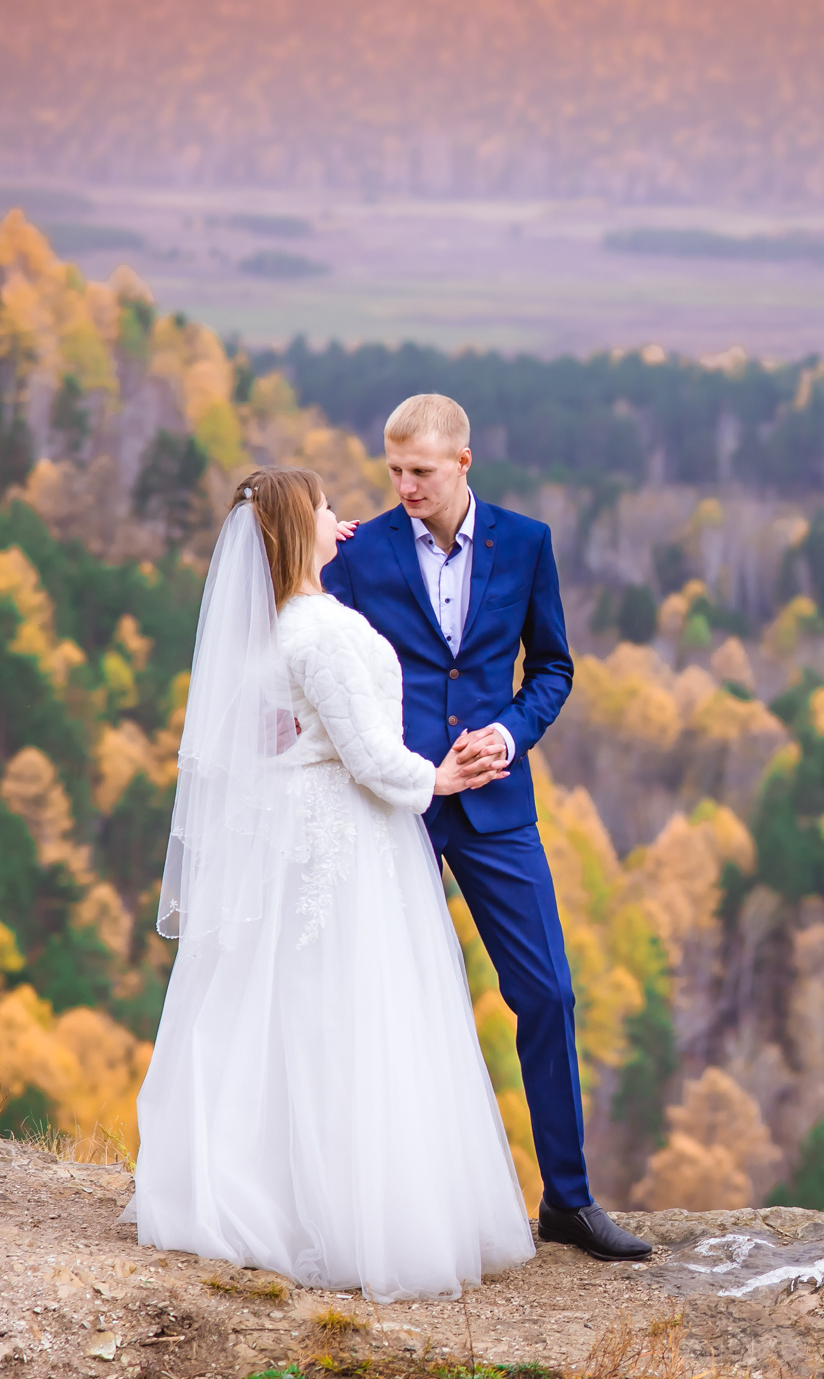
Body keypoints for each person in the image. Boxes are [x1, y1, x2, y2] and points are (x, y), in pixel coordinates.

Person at [129, 469, 536, 1300]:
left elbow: (282, 727)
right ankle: (342, 1209)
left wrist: (317, 548)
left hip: (304, 826)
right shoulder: (315, 633)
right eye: (324, 507)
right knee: (348, 1009)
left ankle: (280, 1180)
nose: (341, 514)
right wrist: (442, 779)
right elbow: (371, 757)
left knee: (288, 1003)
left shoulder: (280, 627)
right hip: (342, 835)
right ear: (294, 525)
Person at [325, 393, 652, 1261]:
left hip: (498, 807)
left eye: (421, 472)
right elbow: (314, 648)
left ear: (463, 463)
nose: (404, 488)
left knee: (548, 992)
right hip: (396, 802)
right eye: (393, 471)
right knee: (388, 1000)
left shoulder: (529, 544)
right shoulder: (362, 555)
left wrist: (510, 730)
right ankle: (376, 1202)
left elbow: (552, 666)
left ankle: (568, 1203)